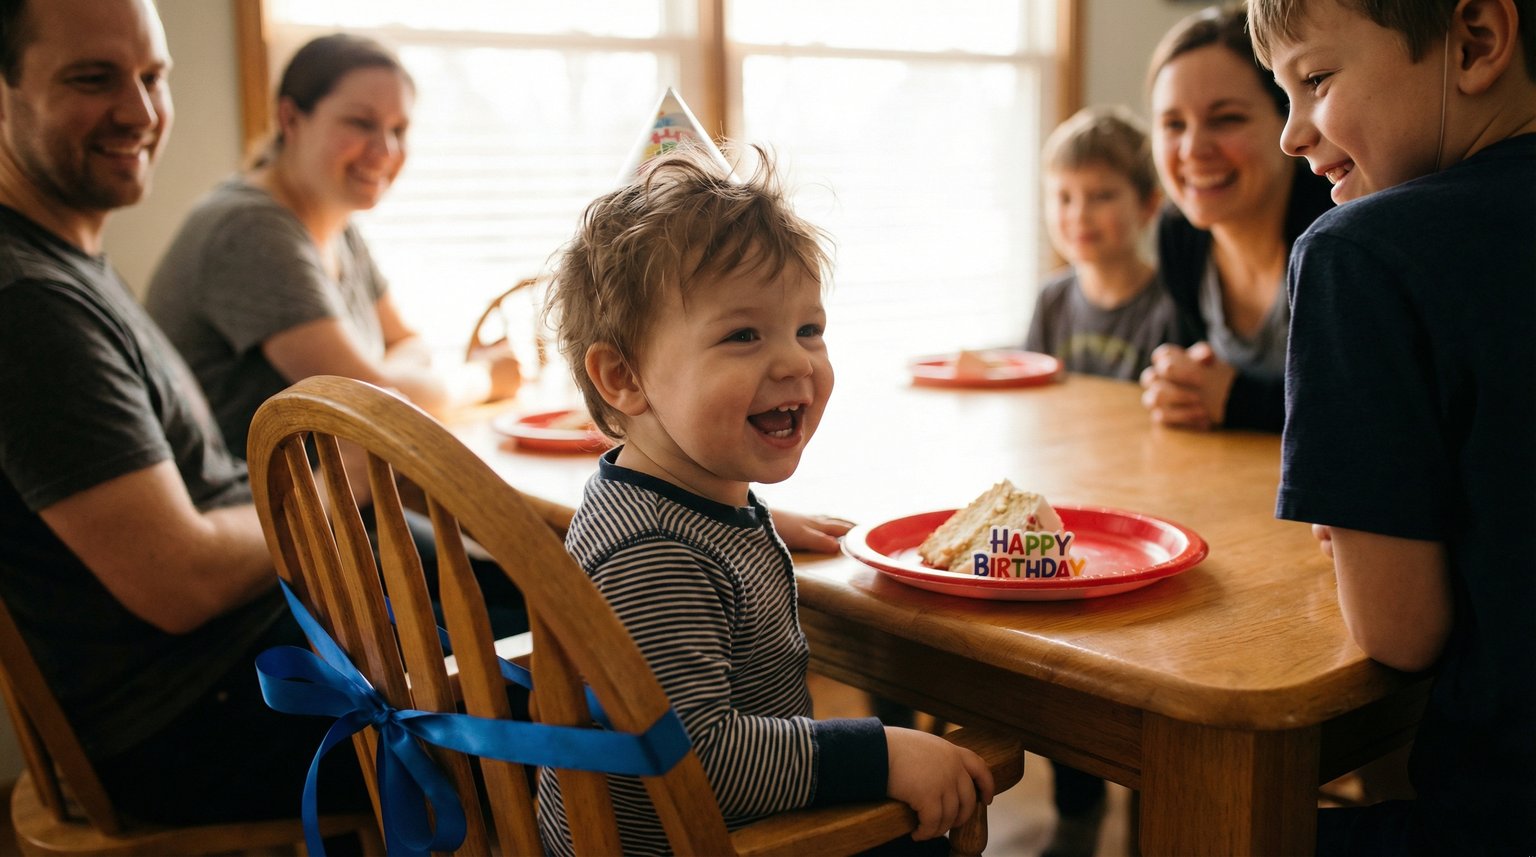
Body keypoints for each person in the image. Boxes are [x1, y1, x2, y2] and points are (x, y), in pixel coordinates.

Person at [541, 147, 996, 856]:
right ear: (623, 376)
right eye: (743, 335)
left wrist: (755, 520)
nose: (795, 362)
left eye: (808, 329)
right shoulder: (656, 555)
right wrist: (884, 754)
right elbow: (699, 758)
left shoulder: (668, 500)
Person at [0, 0, 368, 827]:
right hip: (192, 716)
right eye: (93, 79)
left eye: (152, 77)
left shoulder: (67, 256)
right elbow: (181, 579)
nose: (140, 111)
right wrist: (334, 491)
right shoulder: (27, 304)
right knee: (586, 686)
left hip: (243, 660)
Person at [1250, 0, 1536, 853]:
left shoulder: (1360, 254)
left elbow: (1399, 632)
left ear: (1475, 41)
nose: (1290, 134)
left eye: (1317, 79)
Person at [146, 33, 521, 462]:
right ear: (290, 119)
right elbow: (373, 403)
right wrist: (484, 377)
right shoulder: (251, 231)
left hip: (335, 505)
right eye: (361, 123)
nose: (387, 150)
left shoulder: (337, 223)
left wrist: (392, 382)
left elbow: (408, 343)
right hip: (270, 519)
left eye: (399, 129)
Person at [1138, 3, 1334, 432]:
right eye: (1173, 124)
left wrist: (1238, 400)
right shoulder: (1178, 234)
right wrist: (1179, 387)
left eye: (1226, 119)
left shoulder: (1334, 232)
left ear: (1287, 119)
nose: (1192, 149)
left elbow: (1364, 415)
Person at [1025, 105, 1174, 382]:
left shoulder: (1171, 306)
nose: (1079, 215)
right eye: (1064, 198)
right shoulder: (1050, 302)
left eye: (1102, 196)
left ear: (1149, 205)